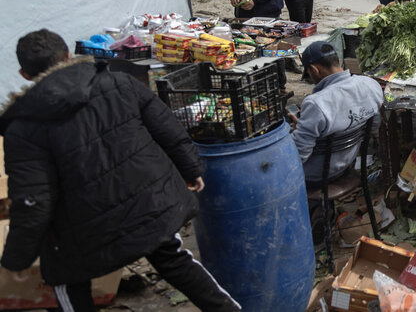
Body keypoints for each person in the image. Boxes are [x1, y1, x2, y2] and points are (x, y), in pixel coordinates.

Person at [0, 29, 240, 312]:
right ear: (67, 56)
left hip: (83, 231)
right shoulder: (117, 81)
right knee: (174, 260)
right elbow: (167, 127)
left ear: (24, 74)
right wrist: (191, 169)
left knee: (66, 280)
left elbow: (33, 202)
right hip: (149, 205)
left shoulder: (22, 127)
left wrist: (17, 259)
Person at [289, 42, 383, 188]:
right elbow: (373, 126)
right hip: (348, 163)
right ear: (338, 61)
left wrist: (295, 133)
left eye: (309, 74)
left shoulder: (316, 104)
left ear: (313, 70)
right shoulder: (370, 84)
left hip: (317, 175)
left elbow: (297, 157)